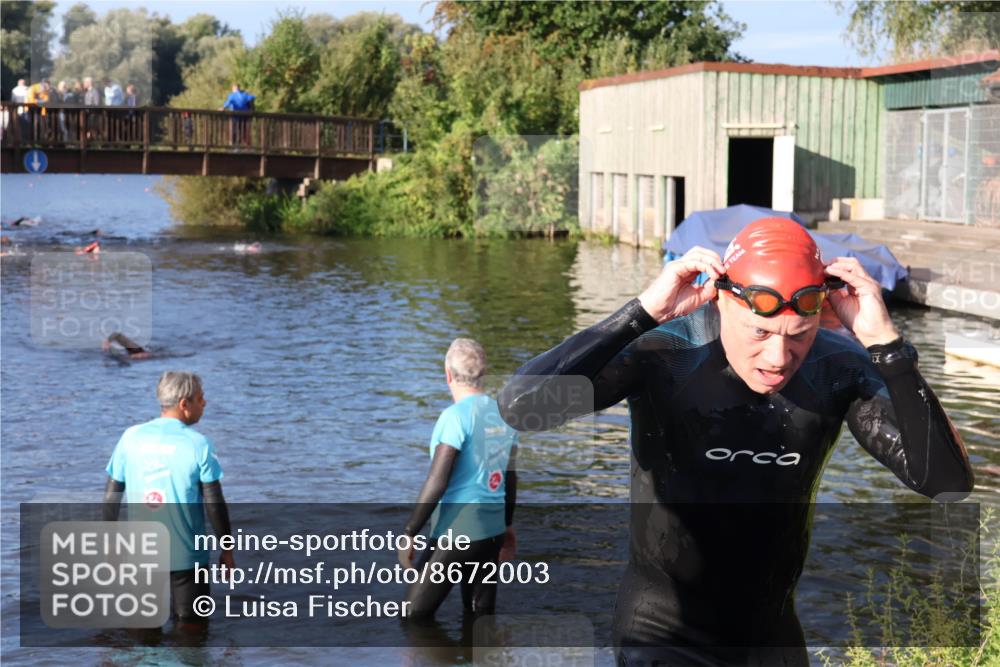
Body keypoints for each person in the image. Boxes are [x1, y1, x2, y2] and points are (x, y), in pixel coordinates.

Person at [499, 217, 974, 666]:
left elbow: (945, 482)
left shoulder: (838, 369)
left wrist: (888, 349)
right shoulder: (667, 353)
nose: (777, 357)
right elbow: (519, 408)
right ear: (722, 300)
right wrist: (641, 314)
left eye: (799, 336)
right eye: (760, 331)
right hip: (663, 633)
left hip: (771, 637)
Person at [102, 371, 234, 628]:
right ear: (185, 404)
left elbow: (111, 495)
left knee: (141, 631)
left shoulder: (130, 438)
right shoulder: (199, 444)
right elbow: (214, 502)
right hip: (187, 557)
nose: (204, 403)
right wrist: (226, 548)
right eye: (200, 398)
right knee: (192, 629)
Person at [400, 338, 519, 620]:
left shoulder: (453, 418)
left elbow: (437, 481)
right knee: (479, 616)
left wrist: (409, 533)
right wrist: (508, 525)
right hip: (492, 531)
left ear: (448, 374)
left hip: (458, 533)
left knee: (412, 618)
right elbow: (510, 479)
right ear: (484, 374)